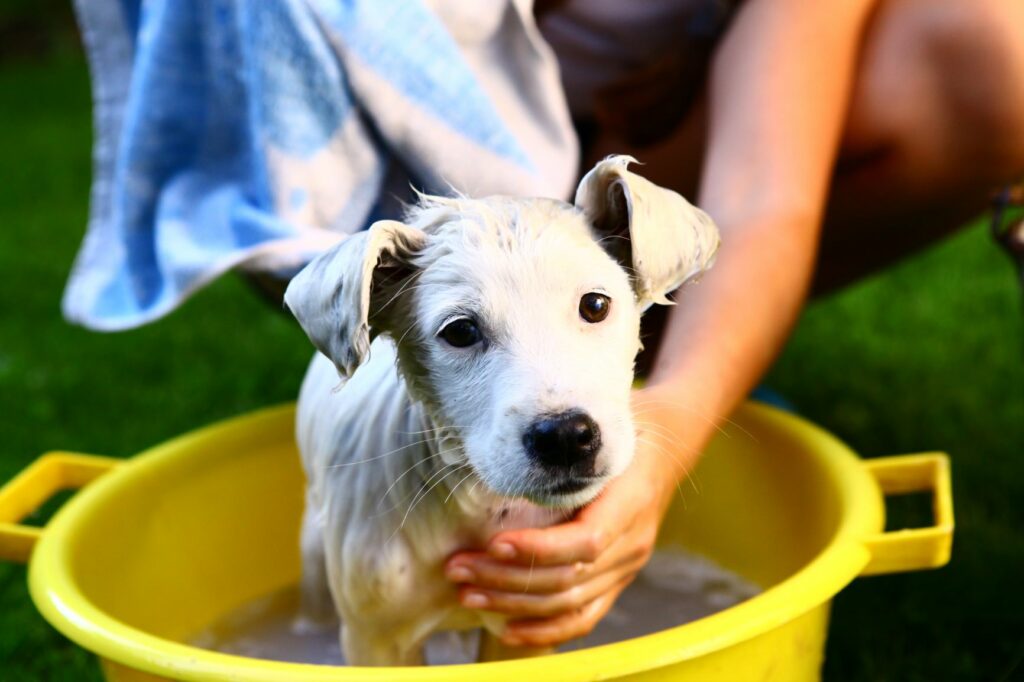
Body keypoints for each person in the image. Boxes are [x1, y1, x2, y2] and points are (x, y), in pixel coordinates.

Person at [441, 0, 1024, 649]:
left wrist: (677, 415)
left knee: (1000, 52)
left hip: (641, 138)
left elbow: (761, 201)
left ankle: (670, 350)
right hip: (407, 165)